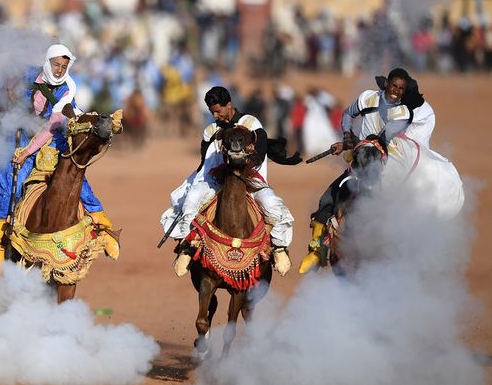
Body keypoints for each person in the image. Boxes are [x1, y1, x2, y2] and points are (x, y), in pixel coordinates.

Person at [299, 67, 460, 273]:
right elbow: (348, 114)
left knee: (391, 209)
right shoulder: (367, 98)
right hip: (359, 163)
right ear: (386, 84)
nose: (396, 91)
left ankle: (401, 256)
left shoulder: (403, 112)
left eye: (401, 89)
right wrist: (347, 136)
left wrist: (354, 144)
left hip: (384, 165)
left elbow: (380, 140)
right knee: (327, 199)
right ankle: (317, 251)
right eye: (394, 86)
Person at [0, 44, 119, 273]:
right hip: (21, 131)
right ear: (47, 62)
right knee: (8, 177)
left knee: (74, 172)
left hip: (51, 133)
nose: (59, 70)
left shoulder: (68, 88)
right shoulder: (27, 74)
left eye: (64, 66)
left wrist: (27, 151)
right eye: (56, 64)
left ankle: (102, 227)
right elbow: (9, 81)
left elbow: (52, 125)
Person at [160, 86, 300, 277]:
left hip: (251, 181)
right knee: (191, 200)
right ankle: (187, 245)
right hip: (215, 181)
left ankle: (278, 248)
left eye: (218, 111)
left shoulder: (251, 123)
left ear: (229, 105)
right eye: (212, 112)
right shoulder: (210, 131)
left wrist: (242, 159)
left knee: (274, 206)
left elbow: (258, 155)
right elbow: (205, 163)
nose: (215, 115)